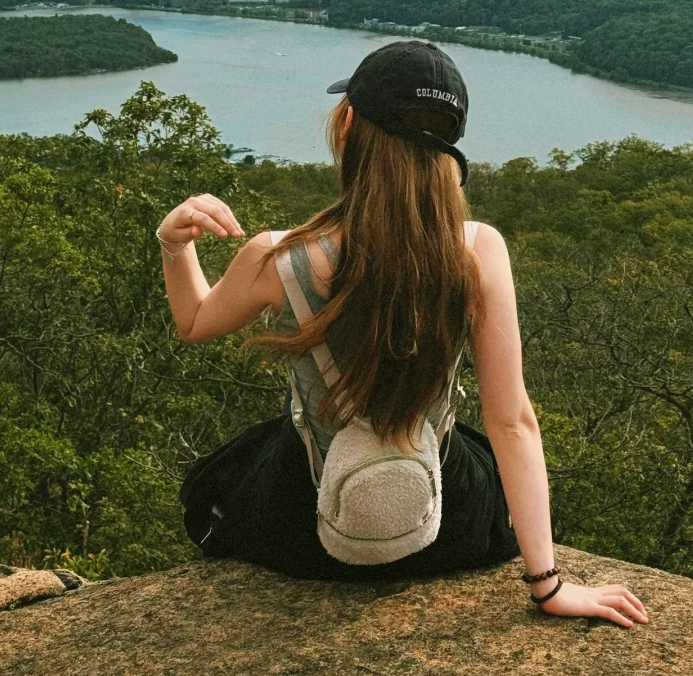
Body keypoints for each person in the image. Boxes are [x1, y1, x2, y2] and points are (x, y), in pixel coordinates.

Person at [157, 41, 648, 627]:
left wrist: (174, 244)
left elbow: (193, 323)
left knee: (212, 482)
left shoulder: (278, 259)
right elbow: (512, 421)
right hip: (446, 527)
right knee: (480, 449)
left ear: (348, 125)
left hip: (304, 530)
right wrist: (549, 586)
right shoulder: (477, 251)